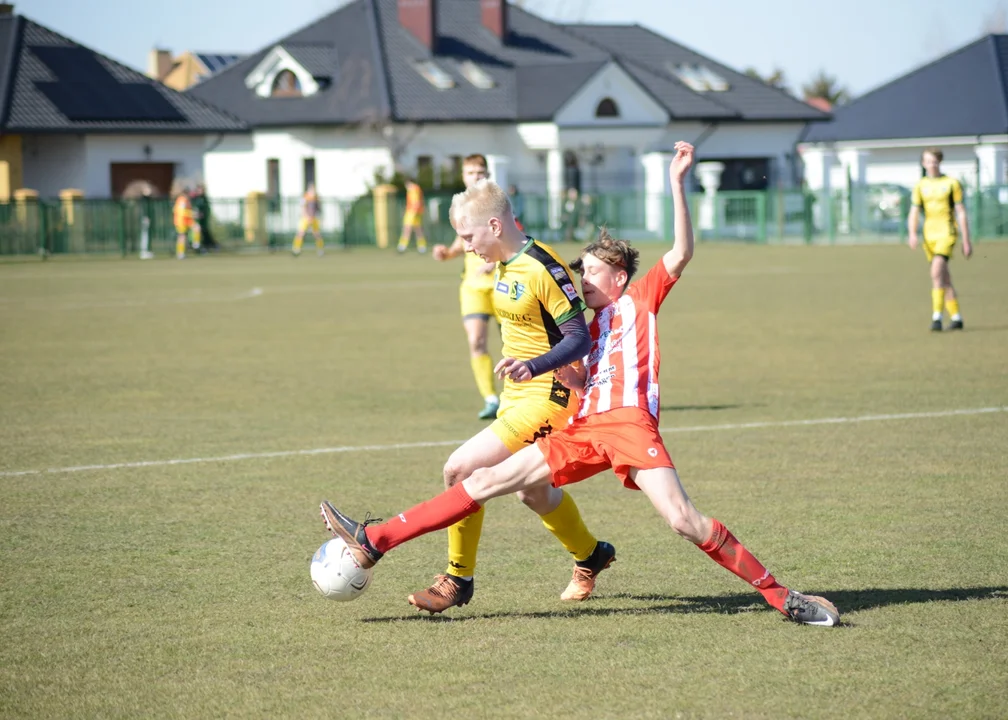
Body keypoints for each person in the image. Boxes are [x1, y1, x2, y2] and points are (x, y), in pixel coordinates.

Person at [320, 142, 841, 627]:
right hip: (586, 427)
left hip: (631, 427)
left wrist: (677, 183)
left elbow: (681, 251)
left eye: (590, 272)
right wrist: (556, 366)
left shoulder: (641, 299)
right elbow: (572, 351)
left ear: (617, 276)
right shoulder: (587, 324)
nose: (581, 280)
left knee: (684, 521)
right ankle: (375, 540)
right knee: (477, 481)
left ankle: (780, 596)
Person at [352, 175, 615, 614]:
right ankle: (591, 554)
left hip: (550, 395)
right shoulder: (507, 263)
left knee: (459, 469)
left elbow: (577, 339)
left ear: (494, 226)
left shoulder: (542, 266)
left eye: (468, 236)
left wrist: (532, 365)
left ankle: (458, 579)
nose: (466, 246)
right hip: (519, 395)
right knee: (531, 493)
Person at [432, 155, 500, 420]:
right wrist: (447, 254)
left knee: (515, 345)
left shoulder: (499, 205)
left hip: (502, 284)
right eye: (471, 172)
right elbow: (463, 242)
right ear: (463, 176)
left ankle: (519, 397)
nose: (476, 176)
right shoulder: (461, 208)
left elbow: (516, 240)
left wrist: (495, 261)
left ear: (488, 174)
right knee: (476, 341)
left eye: (480, 171)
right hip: (472, 287)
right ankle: (491, 398)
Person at [907, 148, 972, 331]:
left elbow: (961, 212)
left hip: (947, 233)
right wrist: (912, 233)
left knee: (936, 272)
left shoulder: (951, 183)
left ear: (940, 162)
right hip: (929, 236)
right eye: (928, 161)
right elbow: (914, 211)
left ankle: (936, 317)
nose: (932, 165)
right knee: (943, 277)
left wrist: (966, 240)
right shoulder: (920, 185)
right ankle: (956, 317)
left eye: (935, 161)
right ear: (923, 163)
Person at [396, 178, 427, 254]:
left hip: (412, 212)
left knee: (407, 229)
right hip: (416, 212)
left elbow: (415, 202)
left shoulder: (413, 189)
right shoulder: (417, 188)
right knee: (418, 230)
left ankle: (402, 246)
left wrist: (413, 212)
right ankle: (422, 247)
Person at [293, 183, 325, 257]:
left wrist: (316, 216)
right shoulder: (305, 197)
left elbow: (318, 208)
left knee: (317, 234)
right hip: (305, 218)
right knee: (301, 233)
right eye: (311, 189)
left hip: (314, 218)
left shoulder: (317, 198)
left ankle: (320, 250)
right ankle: (296, 249)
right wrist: (307, 216)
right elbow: (302, 208)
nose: (313, 191)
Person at [190, 184, 218, 253]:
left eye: (201, 190)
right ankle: (197, 246)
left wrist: (202, 214)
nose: (200, 191)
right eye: (199, 190)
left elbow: (206, 210)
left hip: (202, 221)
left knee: (204, 234)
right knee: (195, 233)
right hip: (195, 220)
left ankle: (209, 246)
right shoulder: (195, 199)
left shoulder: (204, 199)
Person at [172, 186, 194, 260]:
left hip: (185, 222)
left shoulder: (185, 200)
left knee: (183, 236)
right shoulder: (182, 200)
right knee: (182, 237)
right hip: (181, 222)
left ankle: (182, 252)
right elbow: (181, 212)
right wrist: (192, 214)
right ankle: (180, 253)